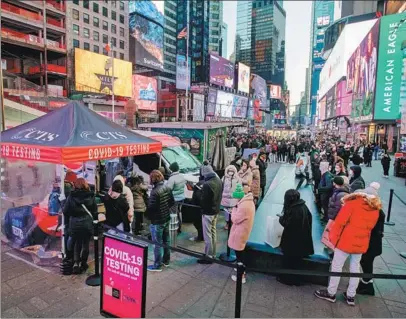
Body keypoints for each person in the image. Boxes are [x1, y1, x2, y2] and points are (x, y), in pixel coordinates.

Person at [314, 187, 381, 306]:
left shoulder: (353, 204)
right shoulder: (375, 209)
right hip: (361, 243)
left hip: (346, 241)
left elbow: (340, 222)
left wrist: (333, 239)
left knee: (337, 267)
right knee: (355, 269)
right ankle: (350, 296)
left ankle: (331, 293)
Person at [278, 189, 314, 286]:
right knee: (297, 262)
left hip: (293, 242)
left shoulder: (294, 210)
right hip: (302, 240)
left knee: (290, 261)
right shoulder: (303, 206)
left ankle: (288, 280)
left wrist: (281, 219)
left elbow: (288, 224)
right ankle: (295, 279)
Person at [63, 178, 97, 274]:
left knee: (74, 242)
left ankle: (74, 262)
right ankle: (83, 264)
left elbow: (65, 211)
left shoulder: (71, 196)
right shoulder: (91, 196)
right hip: (87, 224)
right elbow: (95, 211)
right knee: (85, 244)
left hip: (75, 224)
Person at [357, 183, 385, 296]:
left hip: (372, 244)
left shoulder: (376, 212)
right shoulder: (377, 209)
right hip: (373, 243)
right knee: (366, 263)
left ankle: (367, 285)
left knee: (366, 263)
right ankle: (367, 283)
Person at [147, 170, 174, 272]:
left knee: (157, 243)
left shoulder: (154, 192)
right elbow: (172, 202)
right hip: (166, 218)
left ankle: (157, 265)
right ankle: (166, 260)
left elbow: (150, 208)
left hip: (157, 221)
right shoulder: (167, 187)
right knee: (166, 240)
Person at [228, 184, 255, 284]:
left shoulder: (244, 206)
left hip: (240, 232)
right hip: (244, 230)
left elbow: (235, 219)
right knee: (240, 251)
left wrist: (233, 210)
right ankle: (240, 268)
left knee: (239, 253)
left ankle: (241, 275)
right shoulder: (248, 202)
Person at [198, 163, 222, 264]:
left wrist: (200, 192)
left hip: (208, 213)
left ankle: (208, 256)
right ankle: (213, 253)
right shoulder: (218, 179)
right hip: (216, 210)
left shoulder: (207, 185)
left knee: (207, 235)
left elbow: (203, 201)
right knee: (213, 233)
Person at [167, 162, 186, 234]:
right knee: (179, 212)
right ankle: (180, 226)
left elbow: (168, 190)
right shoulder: (182, 176)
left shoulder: (172, 179)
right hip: (182, 197)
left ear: (172, 170)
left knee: (173, 214)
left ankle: (174, 228)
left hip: (174, 199)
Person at [221, 165, 240, 230]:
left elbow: (239, 190)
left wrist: (239, 199)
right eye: (229, 170)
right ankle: (227, 223)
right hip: (225, 199)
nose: (230, 172)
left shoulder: (237, 178)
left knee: (233, 213)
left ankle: (232, 223)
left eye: (232, 171)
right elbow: (221, 187)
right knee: (226, 213)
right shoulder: (224, 178)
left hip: (233, 200)